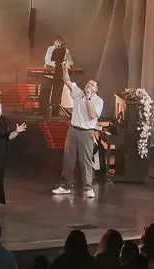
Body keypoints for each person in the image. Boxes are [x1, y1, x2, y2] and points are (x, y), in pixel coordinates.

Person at [51, 61, 103, 198]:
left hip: (87, 133)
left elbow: (92, 115)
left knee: (86, 160)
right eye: (88, 83)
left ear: (96, 89)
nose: (89, 85)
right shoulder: (78, 93)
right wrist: (64, 69)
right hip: (73, 130)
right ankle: (65, 186)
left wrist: (88, 99)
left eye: (92, 85)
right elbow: (67, 80)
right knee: (68, 159)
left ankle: (88, 187)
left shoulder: (98, 101)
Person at [42, 36, 74, 116]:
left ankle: (55, 114)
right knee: (46, 93)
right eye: (57, 42)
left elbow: (71, 62)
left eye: (60, 42)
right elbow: (47, 60)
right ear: (54, 42)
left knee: (57, 94)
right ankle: (43, 112)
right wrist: (57, 65)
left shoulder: (66, 51)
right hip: (49, 75)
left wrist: (66, 64)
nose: (58, 44)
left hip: (59, 76)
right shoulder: (50, 49)